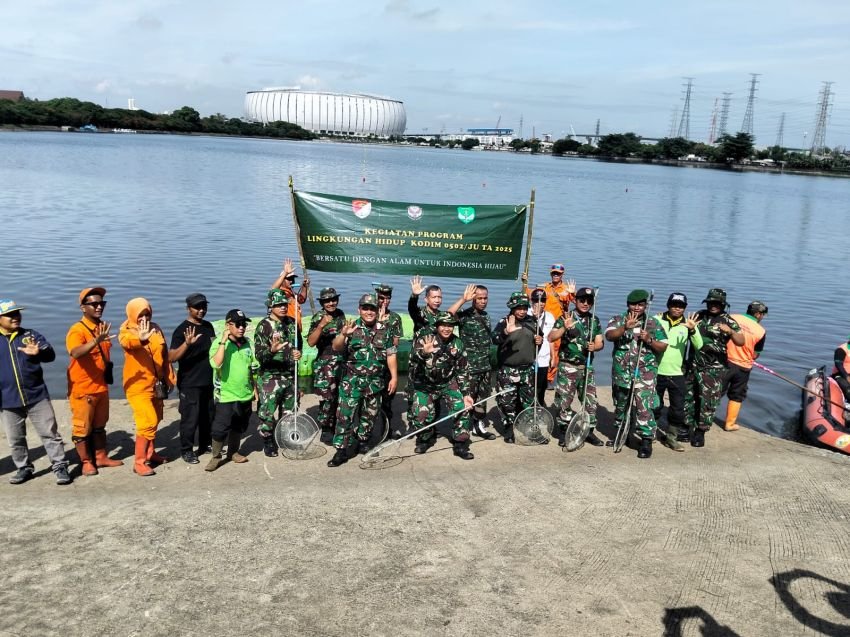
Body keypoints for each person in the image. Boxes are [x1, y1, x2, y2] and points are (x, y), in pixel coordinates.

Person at [0, 300, 71, 485]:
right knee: (15, 438)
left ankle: (60, 466)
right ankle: (24, 468)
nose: (16, 317)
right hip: (7, 399)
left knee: (50, 434)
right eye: (10, 314)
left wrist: (38, 353)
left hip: (36, 395)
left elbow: (50, 355)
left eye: (17, 313)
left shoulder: (30, 335)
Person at [328, 294, 398, 467]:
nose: (369, 312)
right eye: (365, 308)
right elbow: (336, 347)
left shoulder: (386, 329)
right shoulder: (350, 327)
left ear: (377, 310)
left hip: (374, 383)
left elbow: (391, 354)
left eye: (372, 308)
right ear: (359, 309)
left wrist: (394, 377)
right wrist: (343, 335)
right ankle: (341, 450)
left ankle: (363, 442)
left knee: (370, 415)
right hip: (351, 382)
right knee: (345, 417)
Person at [66, 286, 122, 476]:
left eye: (102, 303)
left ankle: (101, 457)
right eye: (94, 304)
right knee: (82, 428)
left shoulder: (101, 327)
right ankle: (86, 461)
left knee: (99, 425)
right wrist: (96, 341)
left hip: (101, 387)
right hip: (83, 389)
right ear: (83, 307)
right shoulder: (77, 330)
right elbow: (75, 352)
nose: (99, 307)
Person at [605, 289, 668, 459]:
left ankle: (646, 440)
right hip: (622, 372)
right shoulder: (618, 319)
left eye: (641, 304)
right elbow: (610, 336)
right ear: (628, 304)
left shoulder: (653, 323)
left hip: (644, 373)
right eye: (634, 304)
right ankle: (621, 432)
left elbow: (663, 346)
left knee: (644, 407)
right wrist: (624, 328)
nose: (637, 307)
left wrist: (649, 340)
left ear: (646, 305)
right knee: (621, 404)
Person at [119, 298, 177, 476]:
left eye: (147, 314)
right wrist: (141, 339)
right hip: (137, 387)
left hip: (156, 384)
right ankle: (139, 462)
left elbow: (164, 355)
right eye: (140, 314)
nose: (144, 318)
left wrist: (170, 378)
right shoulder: (126, 331)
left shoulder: (156, 328)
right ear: (132, 314)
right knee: (147, 421)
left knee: (156, 419)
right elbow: (127, 343)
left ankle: (151, 454)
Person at [408, 312, 475, 459]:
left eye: (450, 325)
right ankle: (426, 437)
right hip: (425, 384)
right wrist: (424, 354)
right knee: (420, 415)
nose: (446, 329)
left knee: (461, 408)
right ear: (437, 326)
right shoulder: (425, 340)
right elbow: (412, 361)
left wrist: (466, 394)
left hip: (447, 383)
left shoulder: (457, 343)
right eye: (443, 325)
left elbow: (462, 370)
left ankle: (460, 443)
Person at [683, 288, 744, 448]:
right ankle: (686, 426)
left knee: (708, 400)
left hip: (713, 368)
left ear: (723, 305)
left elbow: (741, 341)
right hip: (693, 364)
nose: (713, 306)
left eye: (717, 303)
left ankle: (700, 431)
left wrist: (730, 331)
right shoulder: (699, 316)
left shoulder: (728, 320)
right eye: (711, 302)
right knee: (689, 396)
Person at [548, 286, 605, 447]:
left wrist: (595, 346)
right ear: (576, 300)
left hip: (586, 367)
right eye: (582, 300)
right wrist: (564, 327)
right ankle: (563, 430)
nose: (585, 304)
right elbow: (551, 337)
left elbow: (600, 341)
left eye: (589, 301)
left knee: (591, 402)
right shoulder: (566, 317)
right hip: (568, 367)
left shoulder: (595, 319)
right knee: (564, 402)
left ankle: (589, 431)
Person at [206, 309, 259, 472]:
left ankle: (233, 452)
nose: (241, 328)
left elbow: (253, 368)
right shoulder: (219, 344)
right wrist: (222, 341)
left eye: (243, 324)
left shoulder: (248, 343)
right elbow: (216, 363)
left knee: (239, 426)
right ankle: (215, 457)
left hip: (244, 394)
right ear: (228, 325)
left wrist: (255, 389)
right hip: (226, 396)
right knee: (219, 429)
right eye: (237, 324)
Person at [169, 292, 216, 464]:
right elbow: (172, 357)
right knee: (190, 419)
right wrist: (187, 344)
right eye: (197, 307)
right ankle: (186, 450)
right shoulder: (181, 330)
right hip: (190, 383)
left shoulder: (208, 326)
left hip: (208, 381)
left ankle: (205, 444)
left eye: (204, 306)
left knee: (208, 416)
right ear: (188, 308)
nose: (201, 310)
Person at [652, 293, 703, 451]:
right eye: (674, 304)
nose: (677, 308)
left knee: (678, 408)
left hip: (677, 373)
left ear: (684, 308)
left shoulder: (688, 324)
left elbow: (699, 345)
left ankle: (671, 438)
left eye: (680, 306)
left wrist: (693, 330)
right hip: (655, 370)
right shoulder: (656, 319)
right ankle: (650, 433)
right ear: (668, 305)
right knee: (654, 405)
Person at [254, 289, 302, 457]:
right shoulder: (264, 326)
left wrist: (298, 353)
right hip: (271, 376)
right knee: (267, 412)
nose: (282, 308)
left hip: (289, 374)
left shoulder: (291, 323)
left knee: (290, 411)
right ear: (271, 306)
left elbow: (298, 345)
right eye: (278, 305)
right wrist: (272, 351)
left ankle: (284, 437)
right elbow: (259, 356)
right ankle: (268, 441)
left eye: (284, 304)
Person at [448, 283, 496, 440]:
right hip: (469, 367)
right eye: (479, 298)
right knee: (467, 399)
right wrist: (463, 299)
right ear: (473, 299)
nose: (483, 301)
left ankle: (478, 426)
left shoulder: (487, 316)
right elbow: (448, 315)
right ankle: (461, 429)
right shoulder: (464, 315)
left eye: (485, 298)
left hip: (485, 366)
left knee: (482, 400)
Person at [493, 292, 541, 443]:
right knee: (507, 401)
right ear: (512, 308)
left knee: (529, 401)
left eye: (524, 308)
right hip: (508, 369)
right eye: (518, 308)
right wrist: (506, 332)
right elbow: (494, 338)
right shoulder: (505, 321)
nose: (522, 311)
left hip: (527, 368)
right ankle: (508, 428)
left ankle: (530, 429)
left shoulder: (532, 322)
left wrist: (540, 340)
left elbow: (539, 339)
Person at [524, 264, 575, 387]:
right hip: (542, 322)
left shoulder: (566, 289)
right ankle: (537, 378)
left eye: (558, 273)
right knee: (539, 349)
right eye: (554, 273)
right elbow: (529, 294)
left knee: (555, 353)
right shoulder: (544, 287)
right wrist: (525, 283)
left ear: (562, 274)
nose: (556, 275)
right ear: (551, 274)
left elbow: (579, 302)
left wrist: (573, 293)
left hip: (557, 326)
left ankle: (548, 380)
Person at [307, 287, 346, 443]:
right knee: (326, 398)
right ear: (322, 303)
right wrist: (321, 325)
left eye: (333, 299)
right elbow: (310, 342)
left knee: (339, 396)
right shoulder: (318, 317)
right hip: (325, 364)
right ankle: (326, 427)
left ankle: (337, 424)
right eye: (327, 301)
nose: (331, 303)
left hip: (341, 362)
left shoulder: (340, 314)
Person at [722, 301, 768, 431]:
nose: (762, 317)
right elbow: (755, 355)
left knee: (716, 391)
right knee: (737, 395)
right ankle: (729, 424)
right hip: (743, 367)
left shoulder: (733, 318)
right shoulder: (761, 331)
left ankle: (703, 416)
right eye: (763, 315)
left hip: (725, 362)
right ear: (758, 314)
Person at [375, 283, 403, 435]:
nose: (384, 301)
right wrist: (378, 322)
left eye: (387, 298)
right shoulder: (369, 314)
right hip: (369, 365)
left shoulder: (395, 318)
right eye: (381, 298)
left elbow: (395, 344)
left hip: (387, 363)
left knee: (387, 401)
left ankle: (386, 430)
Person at [529, 288, 557, 407]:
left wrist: (553, 356)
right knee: (528, 387)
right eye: (537, 300)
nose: (540, 303)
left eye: (543, 300)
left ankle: (539, 407)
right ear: (532, 301)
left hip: (544, 359)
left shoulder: (550, 317)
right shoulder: (526, 314)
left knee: (541, 388)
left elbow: (550, 339)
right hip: (529, 358)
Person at [269, 258, 310, 328]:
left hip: (295, 327)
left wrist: (304, 287)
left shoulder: (291, 292)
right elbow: (272, 289)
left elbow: (301, 300)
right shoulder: (280, 293)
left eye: (293, 279)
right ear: (282, 280)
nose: (291, 281)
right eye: (289, 279)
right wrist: (285, 272)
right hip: (285, 326)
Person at [833, 335, 850, 406]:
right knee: (848, 389)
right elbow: (839, 365)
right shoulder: (841, 349)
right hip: (841, 375)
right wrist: (847, 377)